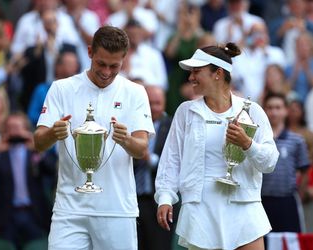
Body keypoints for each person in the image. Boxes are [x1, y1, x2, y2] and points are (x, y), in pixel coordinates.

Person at [33, 25, 155, 250]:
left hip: (117, 210)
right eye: (101, 63)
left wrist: (126, 140)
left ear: (124, 60)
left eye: (114, 66)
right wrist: (53, 133)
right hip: (69, 209)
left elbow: (141, 149)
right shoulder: (61, 88)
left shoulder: (136, 92)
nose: (107, 72)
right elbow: (39, 142)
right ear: (89, 52)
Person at [154, 43, 280, 250]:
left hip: (244, 207)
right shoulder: (185, 112)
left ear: (218, 73)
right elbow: (172, 158)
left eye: (197, 71)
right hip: (199, 211)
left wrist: (248, 144)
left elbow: (270, 162)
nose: (191, 77)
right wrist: (166, 197)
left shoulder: (253, 110)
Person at [0, 112, 53, 250]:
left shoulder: (33, 152)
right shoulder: (1, 154)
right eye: (10, 128)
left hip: (33, 214)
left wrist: (37, 148)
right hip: (7, 216)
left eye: (18, 127)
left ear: (26, 129)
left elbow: (51, 171)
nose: (14, 132)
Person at [133, 85, 175, 250]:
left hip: (158, 200)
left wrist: (149, 158)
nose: (154, 108)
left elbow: (174, 161)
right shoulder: (133, 124)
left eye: (158, 103)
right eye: (150, 103)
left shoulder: (172, 126)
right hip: (134, 198)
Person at [261, 93, 310, 233]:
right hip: (261, 201)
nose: (274, 111)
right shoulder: (257, 140)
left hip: (287, 201)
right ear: (264, 110)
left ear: (286, 111)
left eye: (278, 107)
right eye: (269, 107)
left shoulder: (297, 140)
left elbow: (305, 170)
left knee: (289, 242)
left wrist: (299, 195)